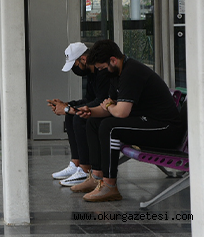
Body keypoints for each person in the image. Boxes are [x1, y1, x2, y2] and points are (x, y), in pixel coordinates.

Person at [73, 39, 184, 202]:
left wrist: (110, 106)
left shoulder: (131, 72)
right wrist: (90, 111)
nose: (100, 71)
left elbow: (121, 112)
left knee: (109, 127)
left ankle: (109, 186)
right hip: (147, 122)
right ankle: (96, 178)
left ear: (113, 60)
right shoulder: (115, 73)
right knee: (93, 122)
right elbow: (108, 107)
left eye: (102, 67)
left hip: (165, 129)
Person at [47, 42, 110, 188]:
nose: (75, 69)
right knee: (71, 115)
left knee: (78, 118)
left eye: (74, 65)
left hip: (108, 113)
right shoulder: (91, 74)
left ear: (83, 59)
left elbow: (101, 102)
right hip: (101, 109)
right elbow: (89, 99)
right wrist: (67, 104)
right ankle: (76, 164)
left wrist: (69, 109)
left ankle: (85, 169)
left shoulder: (102, 73)